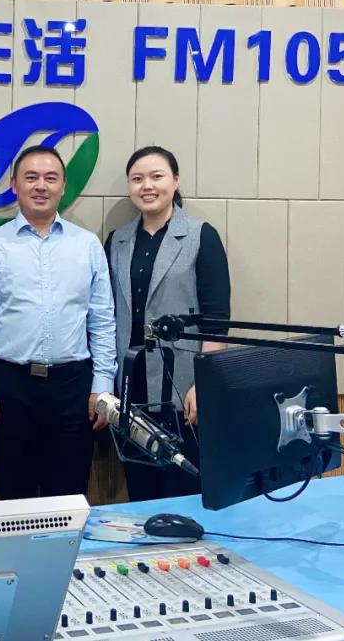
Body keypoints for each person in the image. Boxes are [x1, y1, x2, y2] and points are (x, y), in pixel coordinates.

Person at [0, 145, 117, 500]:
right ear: (14, 185)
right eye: (31, 177)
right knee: (13, 494)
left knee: (69, 496)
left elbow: (102, 320)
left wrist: (103, 385)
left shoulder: (87, 245)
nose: (41, 186)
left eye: (50, 178)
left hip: (74, 388)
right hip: (10, 386)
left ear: (63, 186)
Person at [104, 145, 231, 502]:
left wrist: (203, 383)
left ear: (175, 181)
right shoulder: (117, 240)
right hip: (131, 382)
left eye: (156, 176)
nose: (147, 186)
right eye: (137, 179)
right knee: (140, 484)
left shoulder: (200, 236)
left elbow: (216, 319)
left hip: (181, 384)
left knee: (182, 486)